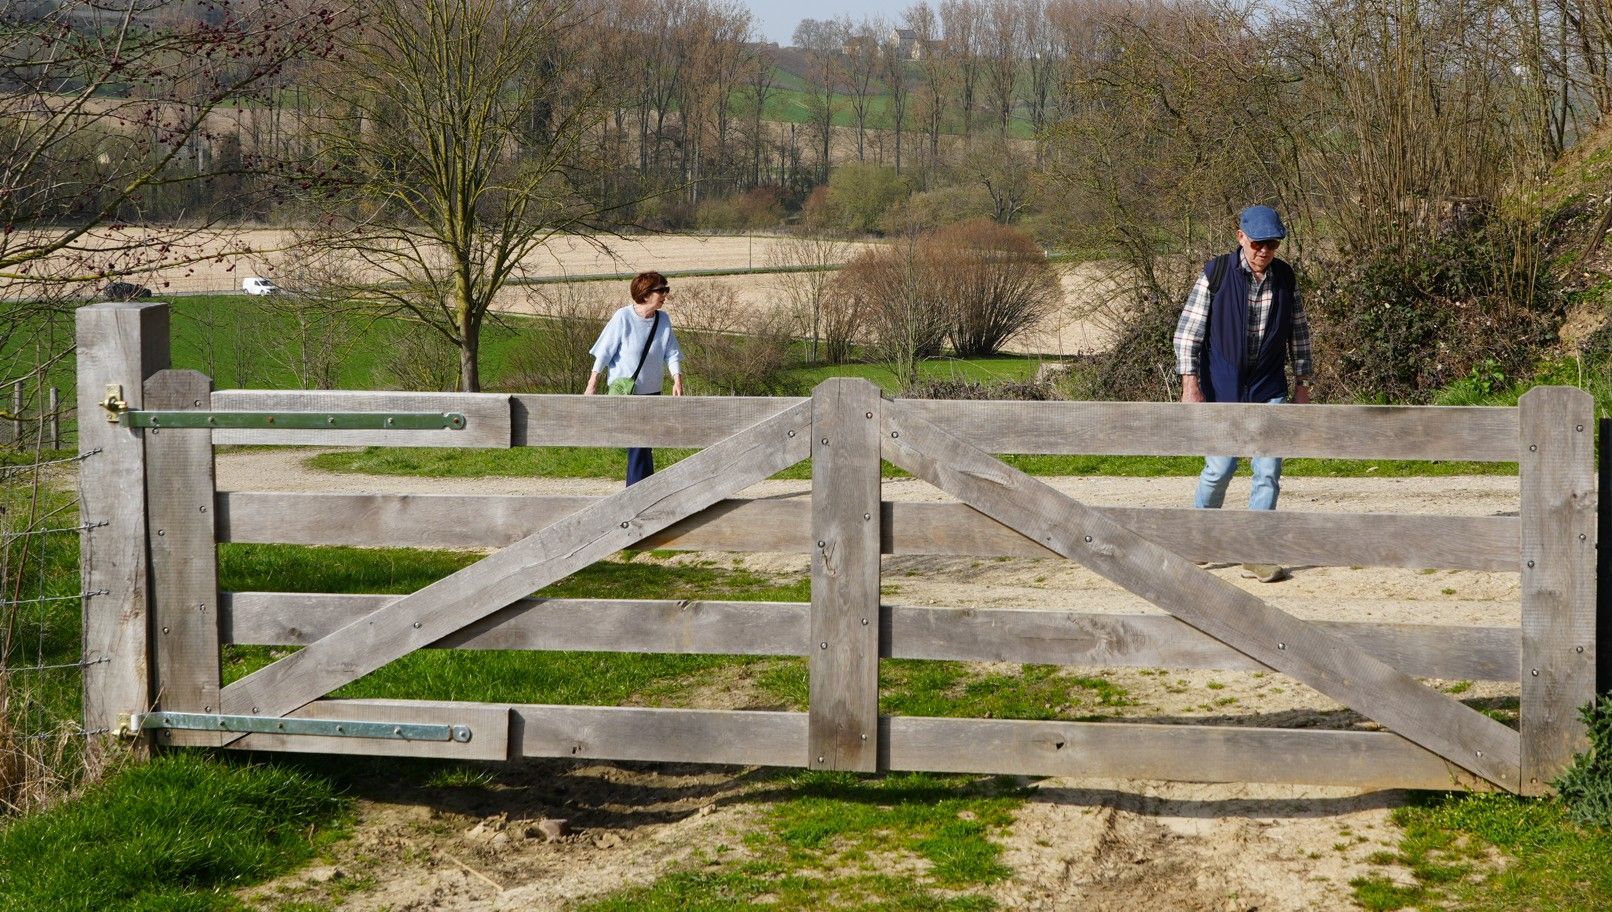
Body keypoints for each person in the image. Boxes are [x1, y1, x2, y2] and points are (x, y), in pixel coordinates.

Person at [1173, 205, 1313, 583]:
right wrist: (1191, 385)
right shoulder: (1215, 274)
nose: (1264, 251)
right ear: (1240, 237)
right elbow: (1188, 333)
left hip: (1269, 388)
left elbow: (1298, 333)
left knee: (1267, 471)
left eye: (1272, 244)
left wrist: (1302, 384)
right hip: (1222, 389)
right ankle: (1201, 540)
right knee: (1220, 468)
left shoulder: (1286, 279)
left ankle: (1256, 553)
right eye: (1257, 243)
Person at [584, 271, 684, 486]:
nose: (665, 294)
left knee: (646, 442)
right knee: (639, 442)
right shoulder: (623, 317)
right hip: (626, 392)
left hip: (652, 391)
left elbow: (672, 352)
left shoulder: (663, 320)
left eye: (666, 290)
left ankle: (643, 489)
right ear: (646, 293)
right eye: (661, 290)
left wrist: (677, 379)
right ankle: (637, 490)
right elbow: (605, 352)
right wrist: (592, 383)